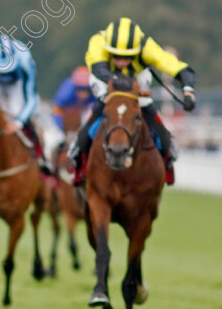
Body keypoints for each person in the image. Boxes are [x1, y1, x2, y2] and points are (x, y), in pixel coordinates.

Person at [69, 17, 196, 186]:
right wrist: (123, 84)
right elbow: (99, 70)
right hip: (109, 89)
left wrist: (188, 91)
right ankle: (80, 170)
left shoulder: (147, 47)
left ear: (137, 51)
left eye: (127, 57)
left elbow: (177, 67)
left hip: (138, 89)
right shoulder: (98, 42)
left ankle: (165, 172)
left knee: (164, 139)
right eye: (116, 56)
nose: (121, 62)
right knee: (85, 136)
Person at [0, 34, 53, 175]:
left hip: (16, 86)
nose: (2, 73)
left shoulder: (24, 58)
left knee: (21, 115)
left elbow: (31, 96)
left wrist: (19, 122)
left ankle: (42, 157)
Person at [52, 66, 97, 133]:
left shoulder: (94, 94)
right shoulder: (65, 94)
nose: (83, 94)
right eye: (80, 89)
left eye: (86, 90)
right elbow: (56, 110)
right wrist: (61, 127)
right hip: (66, 125)